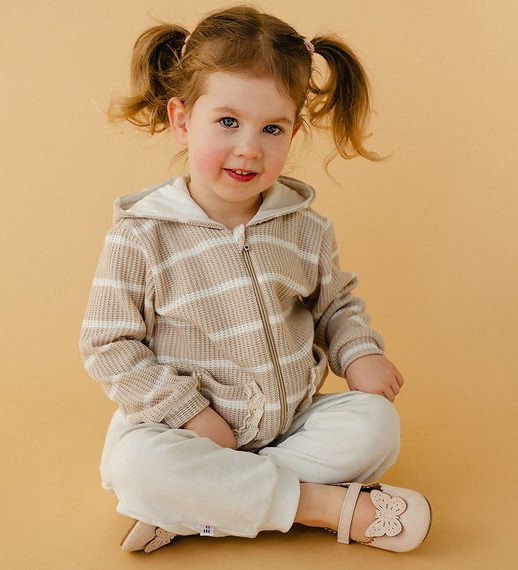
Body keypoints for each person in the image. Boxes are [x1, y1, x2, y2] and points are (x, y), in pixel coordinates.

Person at [80, 5, 431, 554]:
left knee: (377, 426)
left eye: (272, 128)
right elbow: (107, 344)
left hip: (289, 424)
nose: (249, 147)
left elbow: (334, 307)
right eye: (228, 122)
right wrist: (188, 413)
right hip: (185, 432)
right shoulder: (141, 236)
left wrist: (359, 352)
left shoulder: (305, 227)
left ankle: (203, 507)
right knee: (134, 466)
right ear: (181, 119)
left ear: (293, 131)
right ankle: (319, 506)